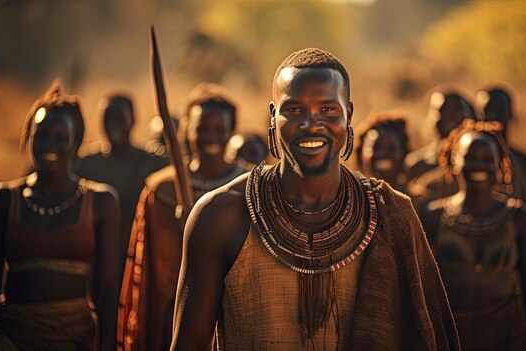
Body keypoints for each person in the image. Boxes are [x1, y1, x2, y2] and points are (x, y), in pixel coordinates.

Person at [171, 48, 459, 351]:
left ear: (349, 113)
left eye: (328, 110)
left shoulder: (389, 213)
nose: (311, 123)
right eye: (294, 110)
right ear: (273, 115)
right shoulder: (221, 215)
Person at [0, 82, 120, 350]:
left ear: (76, 143)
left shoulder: (101, 201)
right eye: (43, 135)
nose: (50, 144)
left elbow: (107, 291)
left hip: (75, 337)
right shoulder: (3, 199)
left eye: (61, 137)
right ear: (29, 137)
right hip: (12, 337)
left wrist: (107, 345)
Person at [118, 83, 245, 351]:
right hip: (171, 317)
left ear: (231, 132)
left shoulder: (248, 187)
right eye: (202, 129)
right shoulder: (160, 189)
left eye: (219, 129)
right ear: (187, 130)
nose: (210, 137)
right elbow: (146, 267)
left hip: (233, 319)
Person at [421, 119, 526, 350]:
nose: (479, 165)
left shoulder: (518, 218)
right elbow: (422, 293)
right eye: (470, 157)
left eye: (487, 159)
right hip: (452, 337)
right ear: (454, 161)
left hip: (506, 335)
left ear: (500, 165)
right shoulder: (433, 216)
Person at [73, 94, 168, 275]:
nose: (114, 124)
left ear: (133, 120)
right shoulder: (87, 164)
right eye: (108, 119)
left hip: (140, 248)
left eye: (120, 118)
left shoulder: (152, 161)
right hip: (97, 251)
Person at [406, 90, 476, 211]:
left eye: (456, 111)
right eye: (442, 111)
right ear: (430, 117)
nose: (449, 117)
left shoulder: (479, 163)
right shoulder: (415, 164)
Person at [475, 87, 526, 204]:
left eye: (499, 111)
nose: (493, 118)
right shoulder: (468, 164)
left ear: (509, 114)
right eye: (487, 111)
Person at [355, 109, 410, 192]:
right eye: (376, 147)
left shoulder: (417, 201)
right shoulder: (348, 198)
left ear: (404, 152)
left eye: (390, 148)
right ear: (360, 152)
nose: (383, 154)